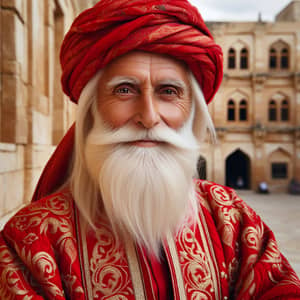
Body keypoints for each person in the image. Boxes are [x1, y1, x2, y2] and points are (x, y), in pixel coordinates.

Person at [1, 0, 300, 299]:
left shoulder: (232, 222)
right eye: (124, 89)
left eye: (168, 92)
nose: (149, 116)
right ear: (92, 110)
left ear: (192, 111)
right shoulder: (31, 241)